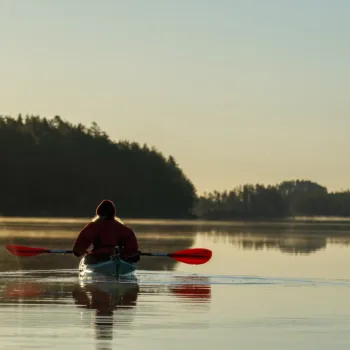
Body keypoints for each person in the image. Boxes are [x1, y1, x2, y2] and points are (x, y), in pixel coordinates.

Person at [72, 200, 140, 264]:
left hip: (98, 257)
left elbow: (78, 250)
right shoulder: (125, 229)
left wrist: (79, 252)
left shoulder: (92, 227)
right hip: (118, 256)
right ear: (113, 214)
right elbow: (133, 252)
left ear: (99, 214)